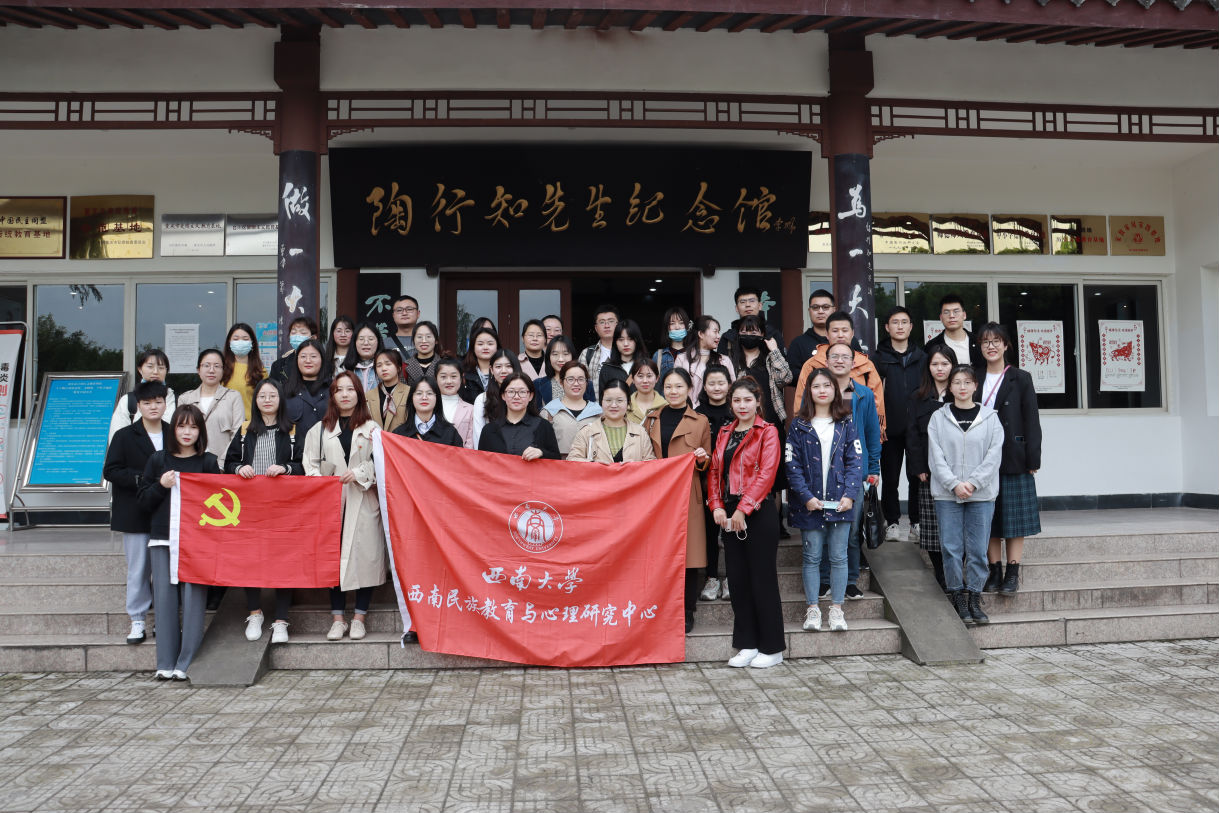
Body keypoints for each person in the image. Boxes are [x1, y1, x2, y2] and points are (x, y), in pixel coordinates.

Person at [138, 404, 221, 680]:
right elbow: (143, 502)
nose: (187, 432)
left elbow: (221, 503)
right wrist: (160, 486)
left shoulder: (208, 462)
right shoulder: (158, 460)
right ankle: (165, 663)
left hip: (197, 543)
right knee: (164, 600)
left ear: (201, 431)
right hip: (162, 539)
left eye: (194, 427)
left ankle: (186, 663)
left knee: (194, 601)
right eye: (182, 426)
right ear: (173, 429)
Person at [303, 371, 387, 641]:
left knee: (365, 558)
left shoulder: (372, 429)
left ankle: (359, 617)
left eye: (350, 389)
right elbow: (309, 464)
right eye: (339, 390)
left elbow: (382, 464)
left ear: (359, 394)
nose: (345, 394)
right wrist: (322, 481)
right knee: (334, 558)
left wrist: (360, 473)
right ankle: (338, 619)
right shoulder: (319, 430)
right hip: (331, 503)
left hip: (363, 499)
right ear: (332, 395)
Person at [708, 377, 783, 668]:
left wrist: (743, 509)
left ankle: (772, 648)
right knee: (738, 581)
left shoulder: (768, 432)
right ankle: (748, 644)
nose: (742, 406)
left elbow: (766, 474)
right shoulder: (725, 431)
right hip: (729, 513)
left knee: (762, 580)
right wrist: (716, 505)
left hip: (758, 512)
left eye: (747, 400)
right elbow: (715, 472)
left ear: (758, 402)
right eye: (737, 400)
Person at [224, 379, 304, 644]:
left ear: (281, 399)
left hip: (284, 509)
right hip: (250, 508)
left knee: (283, 562)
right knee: (251, 560)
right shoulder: (245, 430)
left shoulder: (293, 431)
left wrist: (286, 469)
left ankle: (281, 620)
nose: (267, 400)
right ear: (255, 401)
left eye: (272, 395)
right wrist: (239, 468)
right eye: (262, 396)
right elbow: (229, 463)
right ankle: (255, 612)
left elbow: (304, 465)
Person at [786, 369, 862, 634]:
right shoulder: (799, 425)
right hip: (809, 503)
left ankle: (837, 609)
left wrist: (850, 495)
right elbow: (791, 465)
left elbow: (855, 461)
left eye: (827, 385)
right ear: (809, 390)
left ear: (835, 390)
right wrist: (806, 497)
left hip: (840, 501)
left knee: (839, 557)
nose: (822, 390)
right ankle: (813, 609)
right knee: (811, 557)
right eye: (816, 386)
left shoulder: (846, 423)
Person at [928, 365, 1004, 626]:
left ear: (975, 386)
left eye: (967, 382)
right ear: (949, 387)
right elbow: (936, 457)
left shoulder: (991, 418)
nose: (962, 387)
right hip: (947, 494)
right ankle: (957, 595)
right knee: (951, 548)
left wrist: (972, 483)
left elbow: (994, 456)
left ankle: (974, 596)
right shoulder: (938, 418)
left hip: (981, 494)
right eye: (957, 382)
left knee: (978, 549)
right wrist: (953, 484)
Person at [977, 322, 1043, 596]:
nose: (991, 346)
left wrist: (1033, 458)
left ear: (1006, 345)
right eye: (985, 342)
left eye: (996, 341)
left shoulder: (1021, 377)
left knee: (1015, 519)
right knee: (988, 516)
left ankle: (1013, 572)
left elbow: (1031, 419)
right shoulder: (974, 377)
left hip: (1013, 454)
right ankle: (994, 570)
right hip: (981, 458)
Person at [103, 379, 169, 645]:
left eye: (158, 401)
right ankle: (138, 619)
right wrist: (142, 479)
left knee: (165, 570)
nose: (153, 407)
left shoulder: (175, 432)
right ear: (138, 406)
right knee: (138, 569)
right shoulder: (124, 435)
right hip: (135, 512)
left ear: (165, 404)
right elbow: (111, 470)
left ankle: (163, 619)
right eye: (147, 402)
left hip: (167, 512)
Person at [644, 368, 711, 634]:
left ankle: (686, 611)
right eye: (669, 387)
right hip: (657, 496)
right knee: (659, 554)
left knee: (689, 556)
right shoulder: (651, 419)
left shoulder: (700, 421)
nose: (673, 391)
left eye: (679, 386)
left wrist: (703, 459)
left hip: (688, 494)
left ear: (689, 389)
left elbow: (708, 461)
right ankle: (659, 609)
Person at [819, 343, 881, 601]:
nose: (840, 360)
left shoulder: (863, 394)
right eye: (835, 356)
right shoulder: (819, 390)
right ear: (826, 361)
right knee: (824, 528)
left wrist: (873, 468)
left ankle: (850, 580)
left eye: (845, 357)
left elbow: (872, 433)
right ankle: (824, 580)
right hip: (824, 470)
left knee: (853, 531)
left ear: (853, 362)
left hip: (855, 472)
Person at [874, 306, 928, 541]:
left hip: (917, 429)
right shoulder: (878, 358)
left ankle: (916, 522)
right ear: (887, 327)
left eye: (904, 322)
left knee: (917, 476)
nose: (900, 326)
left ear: (911, 327)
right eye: (895, 322)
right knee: (890, 478)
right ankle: (892, 523)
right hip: (889, 429)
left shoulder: (922, 357)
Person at [905, 347, 956, 589]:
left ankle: (956, 570)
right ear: (928, 368)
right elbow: (912, 436)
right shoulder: (918, 397)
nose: (940, 369)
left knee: (956, 523)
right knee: (933, 525)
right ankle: (941, 573)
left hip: (958, 470)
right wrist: (918, 467)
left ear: (953, 365)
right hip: (929, 470)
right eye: (935, 364)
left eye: (945, 364)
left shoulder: (961, 394)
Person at [793, 310, 886, 437]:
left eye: (845, 330)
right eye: (835, 331)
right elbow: (801, 403)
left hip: (858, 434)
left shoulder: (866, 365)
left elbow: (877, 405)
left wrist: (876, 436)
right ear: (827, 334)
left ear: (852, 333)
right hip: (819, 434)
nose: (840, 335)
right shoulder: (812, 365)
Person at [695, 364, 734, 602]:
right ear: (704, 386)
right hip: (705, 481)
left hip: (733, 482)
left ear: (729, 385)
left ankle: (731, 578)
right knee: (709, 532)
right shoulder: (697, 414)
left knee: (731, 531)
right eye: (712, 383)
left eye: (721, 383)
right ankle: (711, 578)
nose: (717, 388)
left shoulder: (737, 410)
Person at [567, 379, 655, 463]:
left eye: (619, 400)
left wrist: (634, 466)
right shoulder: (587, 432)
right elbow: (572, 460)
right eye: (608, 400)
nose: (613, 405)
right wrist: (593, 464)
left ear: (628, 403)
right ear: (601, 401)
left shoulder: (640, 433)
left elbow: (650, 464)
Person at [177, 348, 245, 458]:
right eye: (206, 365)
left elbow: (238, 434)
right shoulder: (185, 399)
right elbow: (179, 434)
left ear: (223, 370)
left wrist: (223, 462)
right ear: (198, 370)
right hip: (191, 463)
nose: (211, 370)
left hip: (223, 464)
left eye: (217, 366)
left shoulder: (233, 397)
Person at [477, 373, 561, 460]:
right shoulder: (489, 430)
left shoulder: (543, 426)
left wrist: (541, 452)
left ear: (530, 396)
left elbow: (556, 459)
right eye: (511, 392)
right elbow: (481, 462)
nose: (516, 397)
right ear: (503, 395)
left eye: (522, 392)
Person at [108, 349, 176, 442]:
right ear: (140, 369)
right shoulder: (128, 400)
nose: (155, 372)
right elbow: (117, 438)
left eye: (161, 367)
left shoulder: (176, 399)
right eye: (150, 367)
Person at [540, 360, 602, 456]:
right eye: (570, 379)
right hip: (559, 463)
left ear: (586, 382)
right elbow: (542, 445)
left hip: (591, 463)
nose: (576, 384)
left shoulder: (598, 412)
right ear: (561, 382)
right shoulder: (549, 412)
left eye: (581, 379)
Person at [673, 315, 735, 408]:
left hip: (719, 411)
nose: (718, 336)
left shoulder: (724, 360)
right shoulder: (682, 359)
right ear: (701, 334)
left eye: (718, 332)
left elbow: (732, 389)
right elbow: (677, 389)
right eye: (715, 331)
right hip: (690, 412)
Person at [393, 376, 465, 447]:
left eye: (429, 393)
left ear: (437, 398)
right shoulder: (399, 434)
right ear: (411, 398)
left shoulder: (450, 433)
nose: (424, 397)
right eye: (419, 393)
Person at [471, 349, 521, 448]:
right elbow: (478, 435)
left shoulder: (524, 396)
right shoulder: (482, 399)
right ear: (491, 370)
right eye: (498, 366)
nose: (503, 371)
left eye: (508, 366)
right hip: (491, 453)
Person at [786, 289, 840, 380]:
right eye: (815, 307)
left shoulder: (845, 339)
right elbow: (791, 375)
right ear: (809, 311)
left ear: (834, 310)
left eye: (825, 307)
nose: (820, 311)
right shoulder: (798, 343)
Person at [284, 338, 332, 438]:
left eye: (313, 356)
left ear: (322, 359)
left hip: (326, 446)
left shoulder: (333, 389)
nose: (308, 361)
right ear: (297, 360)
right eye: (303, 356)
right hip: (296, 447)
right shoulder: (285, 390)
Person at [718, 286, 784, 358]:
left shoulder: (773, 334)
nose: (748, 305)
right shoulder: (727, 338)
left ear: (760, 305)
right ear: (736, 308)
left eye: (752, 301)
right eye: (743, 302)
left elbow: (782, 361)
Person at [925, 293, 985, 369]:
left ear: (964, 315)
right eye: (946, 312)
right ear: (941, 317)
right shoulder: (932, 346)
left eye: (956, 311)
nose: (951, 316)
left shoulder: (979, 342)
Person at [221, 322, 267, 421]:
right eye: (236, 339)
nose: (240, 342)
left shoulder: (260, 371)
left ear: (252, 343)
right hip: (224, 423)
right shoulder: (221, 368)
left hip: (251, 424)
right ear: (229, 342)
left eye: (245, 339)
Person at [578, 304, 619, 399]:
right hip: (595, 406)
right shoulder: (587, 354)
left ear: (618, 325)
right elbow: (580, 384)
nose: (607, 325)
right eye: (602, 322)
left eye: (611, 321)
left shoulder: (626, 352)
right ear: (596, 328)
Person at [598, 319, 649, 395]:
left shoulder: (648, 366)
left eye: (630, 339)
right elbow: (603, 399)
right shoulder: (606, 369)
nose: (626, 344)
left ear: (637, 341)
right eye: (621, 340)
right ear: (615, 342)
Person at [534, 336, 589, 405]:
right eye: (555, 354)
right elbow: (535, 410)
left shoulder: (587, 384)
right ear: (549, 357)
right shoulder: (538, 384)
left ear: (572, 356)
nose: (560, 359)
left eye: (565, 354)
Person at [366, 348, 409, 433]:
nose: (383, 368)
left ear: (399, 368)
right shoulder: (368, 396)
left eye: (388, 364)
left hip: (400, 440)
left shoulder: (409, 392)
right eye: (379, 365)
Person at [436, 358, 476, 448]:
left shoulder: (471, 410)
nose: (449, 381)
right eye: (443, 377)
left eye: (453, 376)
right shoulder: (429, 406)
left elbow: (470, 443)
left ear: (461, 378)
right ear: (436, 379)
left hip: (461, 456)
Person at [269, 316, 319, 383]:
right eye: (293, 333)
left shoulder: (323, 365)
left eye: (303, 333)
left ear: (313, 338)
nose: (297, 336)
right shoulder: (279, 365)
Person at [460, 325, 499, 403]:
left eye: (490, 344)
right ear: (473, 347)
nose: (485, 347)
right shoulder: (464, 372)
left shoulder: (504, 371)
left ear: (497, 347)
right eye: (480, 344)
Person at [653, 306, 690, 378]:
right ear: (667, 328)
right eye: (672, 323)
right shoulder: (658, 356)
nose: (677, 327)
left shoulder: (694, 354)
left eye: (681, 323)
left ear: (687, 326)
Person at [626, 358, 664, 423]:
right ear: (633, 379)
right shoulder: (624, 407)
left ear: (657, 378)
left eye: (649, 376)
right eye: (640, 376)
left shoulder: (665, 406)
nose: (645, 381)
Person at [345, 322, 381, 392]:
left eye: (371, 339)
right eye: (361, 339)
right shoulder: (345, 369)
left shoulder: (385, 368)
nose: (366, 343)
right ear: (354, 342)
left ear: (378, 342)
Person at [404, 320, 442, 385]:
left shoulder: (444, 364)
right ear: (413, 341)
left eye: (428, 336)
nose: (424, 341)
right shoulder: (405, 366)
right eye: (419, 337)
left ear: (436, 340)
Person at [387, 294, 420, 361]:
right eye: (399, 310)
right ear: (393, 315)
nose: (404, 313)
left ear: (418, 313)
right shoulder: (384, 343)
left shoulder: (427, 340)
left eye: (409, 309)